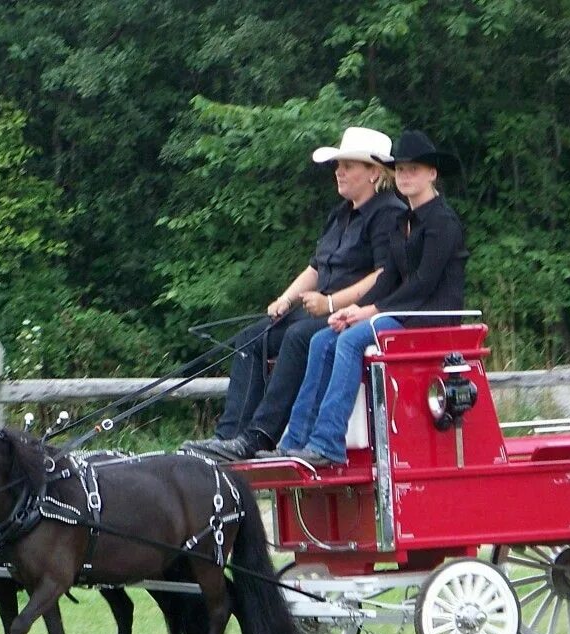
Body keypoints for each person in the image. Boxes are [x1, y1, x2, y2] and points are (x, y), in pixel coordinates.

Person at [183, 127, 407, 462]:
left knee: (300, 337)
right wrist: (286, 299)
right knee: (250, 338)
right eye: (338, 165)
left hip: (354, 313)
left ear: (374, 172)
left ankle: (260, 437)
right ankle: (228, 437)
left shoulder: (389, 212)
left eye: (349, 165)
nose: (339, 171)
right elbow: (315, 268)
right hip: (319, 307)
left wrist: (332, 302)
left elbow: (383, 274)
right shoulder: (341, 213)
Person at [274, 130, 468, 468]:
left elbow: (422, 285)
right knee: (323, 339)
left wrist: (371, 313)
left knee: (350, 341)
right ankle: (294, 441)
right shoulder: (401, 223)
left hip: (430, 317)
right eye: (402, 170)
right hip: (401, 312)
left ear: (432, 174)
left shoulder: (443, 222)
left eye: (415, 170)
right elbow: (389, 278)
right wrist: (353, 309)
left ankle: (328, 442)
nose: (406, 177)